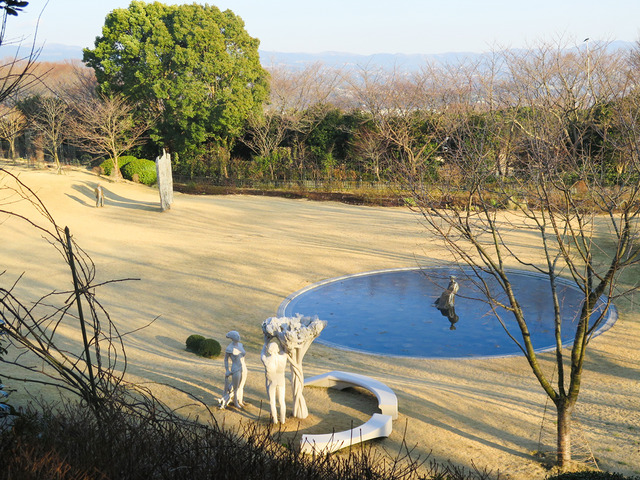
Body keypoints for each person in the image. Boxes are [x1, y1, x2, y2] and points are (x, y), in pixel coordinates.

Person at [261, 340, 287, 424]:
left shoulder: (267, 360)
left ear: (269, 350)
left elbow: (262, 354)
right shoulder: (283, 358)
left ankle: (275, 420)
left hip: (272, 382)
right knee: (282, 401)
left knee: (273, 402)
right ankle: (282, 420)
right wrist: (281, 340)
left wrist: (265, 343)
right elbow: (284, 350)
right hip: (281, 381)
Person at [219, 330, 247, 409]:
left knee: (241, 385)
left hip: (243, 367)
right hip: (236, 368)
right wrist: (227, 370)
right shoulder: (229, 348)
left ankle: (240, 400)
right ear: (232, 338)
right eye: (236, 336)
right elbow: (225, 359)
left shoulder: (241, 345)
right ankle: (235, 401)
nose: (238, 337)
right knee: (236, 387)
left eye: (238, 335)